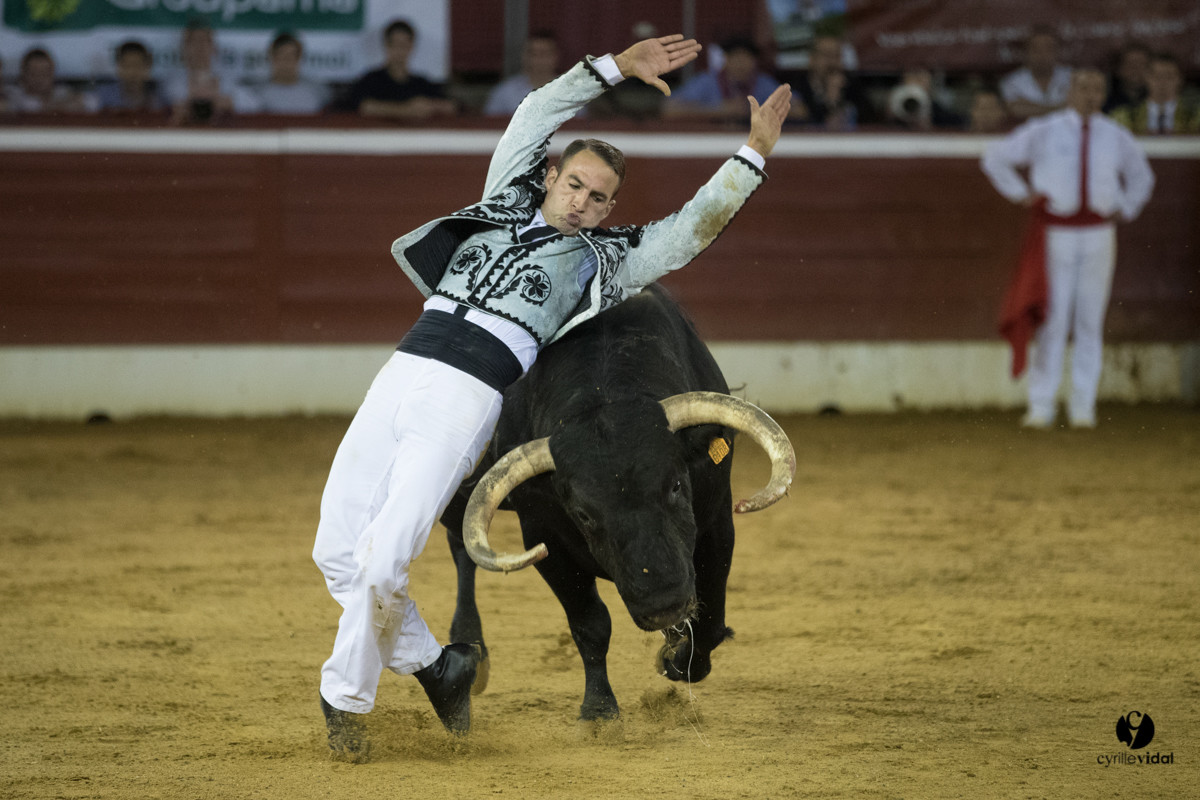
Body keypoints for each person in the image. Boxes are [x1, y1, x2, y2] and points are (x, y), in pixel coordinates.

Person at [312, 33, 791, 762]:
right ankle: (438, 668)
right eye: (574, 186)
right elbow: (535, 112)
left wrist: (751, 155)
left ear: (609, 210)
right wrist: (613, 68)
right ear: (550, 177)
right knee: (337, 553)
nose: (582, 204)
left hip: (468, 394)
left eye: (599, 199)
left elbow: (690, 229)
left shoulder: (604, 260)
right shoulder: (502, 200)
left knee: (382, 563)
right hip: (401, 371)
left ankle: (346, 699)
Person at [982, 67, 1154, 429]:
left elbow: (1142, 177)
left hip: (1099, 232)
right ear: (1070, 92)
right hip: (1056, 232)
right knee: (1054, 318)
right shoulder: (1045, 130)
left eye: (1097, 89)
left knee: (1090, 319)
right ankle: (1041, 404)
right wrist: (1021, 194)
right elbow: (994, 157)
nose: (1090, 95)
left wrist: (1126, 207)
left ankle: (1083, 407)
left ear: (1104, 94)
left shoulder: (1115, 135)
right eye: (1084, 88)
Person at [334, 19, 455, 120]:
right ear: (386, 45)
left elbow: (450, 106)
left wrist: (431, 106)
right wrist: (406, 110)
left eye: (404, 45)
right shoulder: (372, 80)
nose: (399, 50)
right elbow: (364, 106)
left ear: (411, 46)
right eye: (395, 44)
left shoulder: (421, 84)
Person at [662, 36, 784, 121]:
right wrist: (719, 110)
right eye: (736, 58)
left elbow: (794, 108)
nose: (741, 64)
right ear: (726, 59)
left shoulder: (763, 83)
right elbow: (670, 109)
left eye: (746, 58)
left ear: (755, 61)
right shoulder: (707, 81)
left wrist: (759, 111)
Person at [164, 19, 256, 124]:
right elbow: (168, 104)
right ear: (184, 47)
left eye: (205, 41)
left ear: (214, 46)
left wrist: (228, 101)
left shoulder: (227, 78)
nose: (200, 47)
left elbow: (253, 104)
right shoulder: (173, 80)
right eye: (193, 41)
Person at [792, 33, 874, 129]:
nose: (832, 62)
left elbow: (871, 121)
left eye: (836, 55)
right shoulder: (798, 88)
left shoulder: (852, 85)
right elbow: (807, 122)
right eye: (827, 55)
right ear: (812, 59)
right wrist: (830, 102)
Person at [1110, 52, 1200, 135]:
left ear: (1180, 79)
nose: (1162, 82)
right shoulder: (1124, 116)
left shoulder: (1196, 117)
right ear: (1146, 78)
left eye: (1169, 77)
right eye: (1157, 76)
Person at [999, 27, 1072, 121]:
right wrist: (1059, 108)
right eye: (1036, 50)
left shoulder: (1072, 77)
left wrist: (1031, 107)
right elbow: (1015, 109)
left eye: (1048, 49)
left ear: (1057, 51)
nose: (1043, 54)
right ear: (1026, 52)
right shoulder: (1011, 82)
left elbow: (1078, 106)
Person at [248, 31, 330, 114]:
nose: (286, 62)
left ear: (299, 58)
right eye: (281, 57)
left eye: (290, 57)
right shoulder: (257, 94)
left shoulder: (317, 93)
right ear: (271, 57)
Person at [482, 30, 559, 117]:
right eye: (534, 54)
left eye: (544, 54)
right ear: (525, 57)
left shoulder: (569, 91)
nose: (539, 59)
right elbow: (489, 123)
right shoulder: (505, 92)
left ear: (556, 56)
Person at [7, 48, 96, 114]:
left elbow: (92, 102)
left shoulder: (61, 91)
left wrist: (74, 100)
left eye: (44, 73)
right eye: (34, 73)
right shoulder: (13, 94)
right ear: (23, 74)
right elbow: (31, 106)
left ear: (52, 74)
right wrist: (64, 105)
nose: (39, 78)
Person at [95, 40, 167, 114]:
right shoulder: (103, 96)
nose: (132, 72)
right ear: (118, 68)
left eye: (137, 66)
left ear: (147, 68)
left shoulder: (161, 96)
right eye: (126, 66)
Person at [884, 66, 964, 130]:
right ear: (902, 80)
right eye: (912, 74)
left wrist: (927, 124)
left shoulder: (947, 118)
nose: (915, 82)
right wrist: (889, 118)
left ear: (931, 81)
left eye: (920, 77)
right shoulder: (893, 108)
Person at [1102, 42, 1150, 114]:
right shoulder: (1105, 99)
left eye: (1141, 64)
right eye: (1130, 64)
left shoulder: (1157, 97)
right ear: (1118, 69)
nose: (1136, 69)